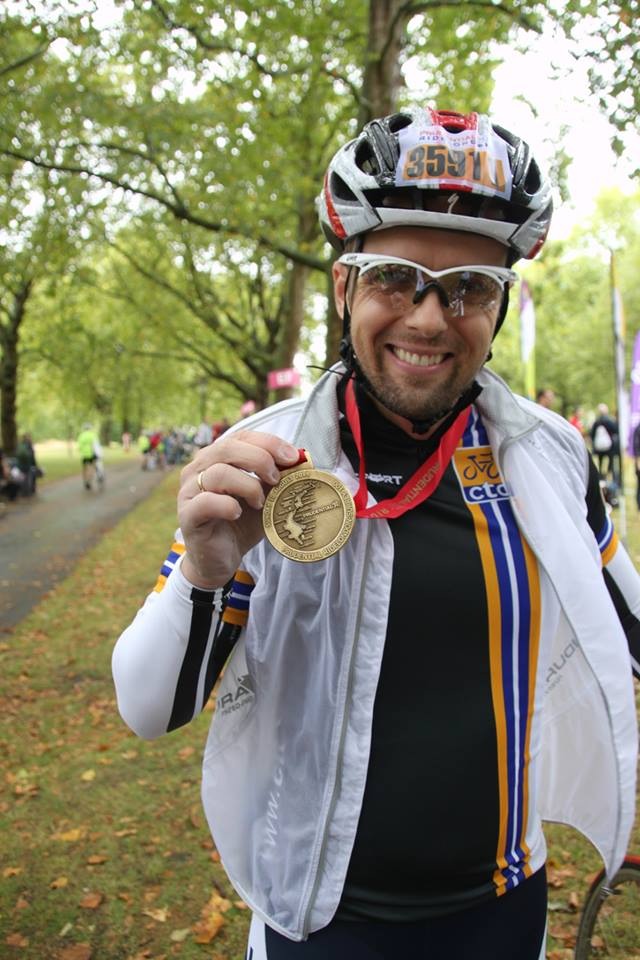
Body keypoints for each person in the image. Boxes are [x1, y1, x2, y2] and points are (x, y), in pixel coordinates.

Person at [112, 107, 640, 960]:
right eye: (396, 277)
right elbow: (147, 709)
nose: (430, 319)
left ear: (501, 306)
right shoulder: (266, 461)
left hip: (501, 916)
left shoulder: (551, 458)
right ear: (342, 287)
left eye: (470, 286)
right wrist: (208, 570)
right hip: (320, 922)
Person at [590, 403, 619, 486]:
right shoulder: (609, 421)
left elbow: (592, 434)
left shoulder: (597, 422)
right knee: (610, 462)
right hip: (609, 447)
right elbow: (615, 431)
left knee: (600, 462)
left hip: (599, 448)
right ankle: (608, 476)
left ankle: (601, 477)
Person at [76, 423, 99, 490]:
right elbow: (96, 445)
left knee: (85, 468)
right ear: (90, 428)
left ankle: (85, 481)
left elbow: (79, 447)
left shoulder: (81, 436)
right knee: (91, 468)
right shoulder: (93, 435)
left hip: (84, 455)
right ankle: (89, 481)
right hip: (91, 454)